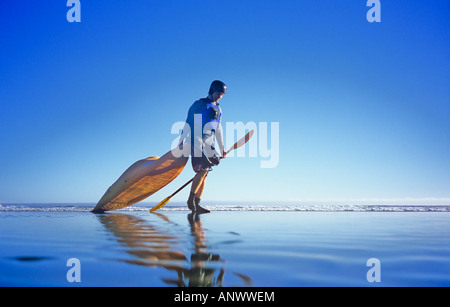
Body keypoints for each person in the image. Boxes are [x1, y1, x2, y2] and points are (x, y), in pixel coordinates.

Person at [178, 80, 227, 213]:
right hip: (196, 140)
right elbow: (188, 122)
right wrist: (181, 140)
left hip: (209, 142)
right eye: (218, 93)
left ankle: (197, 203)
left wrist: (221, 147)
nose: (219, 96)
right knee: (202, 170)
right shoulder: (198, 104)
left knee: (205, 174)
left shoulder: (219, 109)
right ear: (212, 90)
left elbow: (218, 129)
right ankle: (190, 201)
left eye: (222, 94)